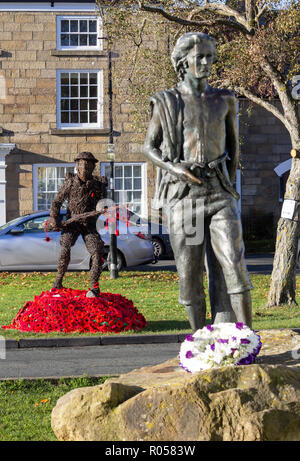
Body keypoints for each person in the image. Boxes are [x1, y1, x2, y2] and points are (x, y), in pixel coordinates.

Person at [144, 32, 253, 331]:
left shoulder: (225, 99)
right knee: (189, 274)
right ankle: (199, 339)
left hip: (219, 193)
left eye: (209, 56)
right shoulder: (167, 101)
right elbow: (149, 147)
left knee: (234, 263)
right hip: (185, 198)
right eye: (200, 57)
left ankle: (248, 340)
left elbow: (234, 148)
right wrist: (175, 169)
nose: (207, 62)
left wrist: (227, 184)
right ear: (183, 62)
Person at [49, 151, 108, 297]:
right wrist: (54, 219)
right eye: (82, 165)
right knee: (65, 247)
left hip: (89, 224)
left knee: (97, 252)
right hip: (72, 223)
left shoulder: (98, 185)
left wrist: (103, 207)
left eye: (89, 165)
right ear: (77, 166)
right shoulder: (70, 183)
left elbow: (104, 202)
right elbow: (56, 202)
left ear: (93, 167)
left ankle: (94, 287)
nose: (85, 168)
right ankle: (58, 281)